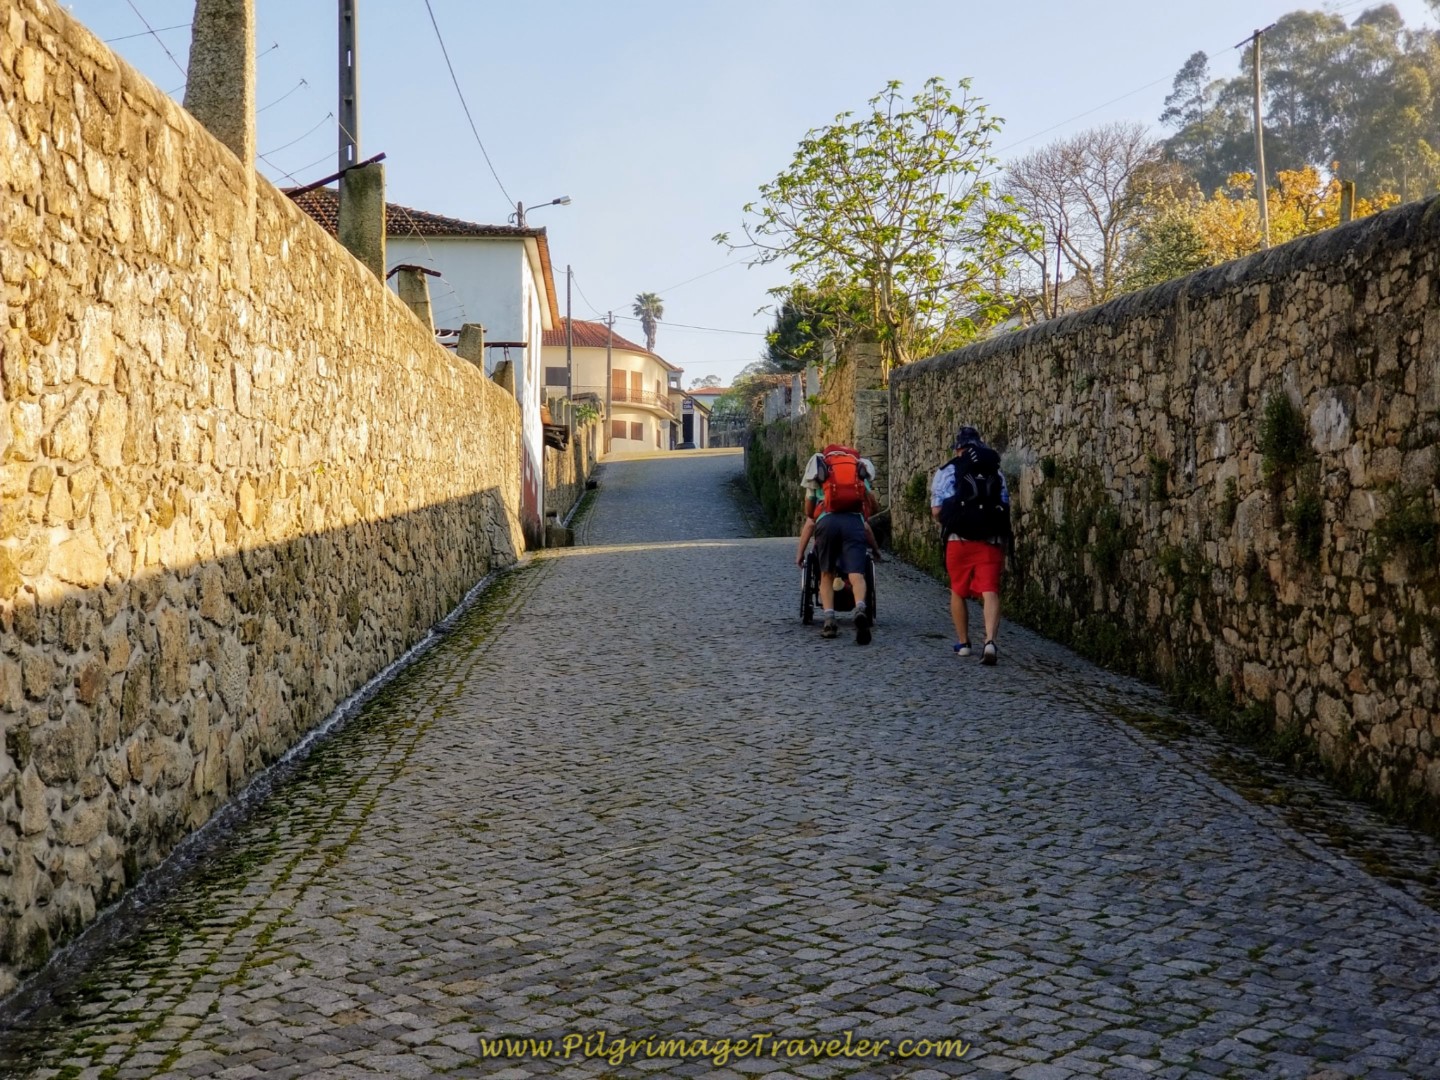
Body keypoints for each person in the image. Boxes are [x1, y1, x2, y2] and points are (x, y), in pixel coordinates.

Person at [930, 426, 1010, 665]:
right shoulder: (995, 470)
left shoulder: (948, 470)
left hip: (959, 540)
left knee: (957, 590)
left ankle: (964, 643)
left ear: (958, 448)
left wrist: (955, 517)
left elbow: (936, 510)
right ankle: (990, 642)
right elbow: (1005, 504)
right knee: (990, 591)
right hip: (990, 539)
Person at [794, 445, 881, 644]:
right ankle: (860, 608)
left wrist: (818, 508)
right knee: (857, 575)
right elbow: (873, 505)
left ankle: (829, 620)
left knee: (826, 573)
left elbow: (809, 512)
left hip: (827, 522)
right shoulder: (857, 470)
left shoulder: (820, 468)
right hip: (853, 523)